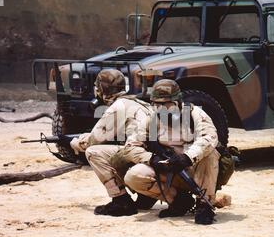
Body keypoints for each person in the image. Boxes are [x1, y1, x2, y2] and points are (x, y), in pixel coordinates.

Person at [120, 79, 220, 224]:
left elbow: (209, 138)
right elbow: (130, 147)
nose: (160, 108)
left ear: (177, 102)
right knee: (133, 176)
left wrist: (187, 157)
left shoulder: (194, 114)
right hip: (168, 170)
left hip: (196, 170)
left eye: (165, 103)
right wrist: (152, 159)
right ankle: (178, 201)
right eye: (156, 103)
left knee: (210, 154)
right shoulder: (151, 120)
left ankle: (204, 205)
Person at [70, 68, 153, 217]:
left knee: (93, 153)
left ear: (101, 89)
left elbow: (94, 140)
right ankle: (146, 196)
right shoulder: (140, 103)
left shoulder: (118, 106)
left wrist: (76, 143)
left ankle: (120, 200)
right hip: (151, 158)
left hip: (141, 157)